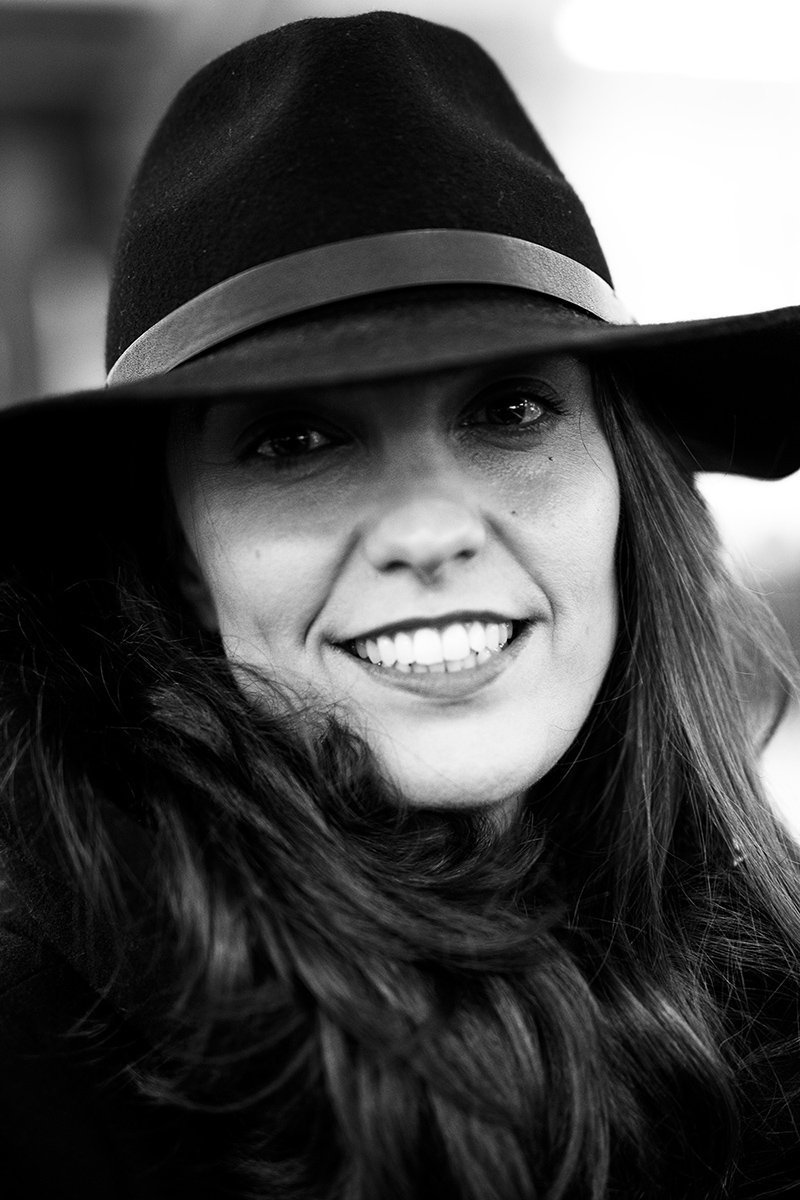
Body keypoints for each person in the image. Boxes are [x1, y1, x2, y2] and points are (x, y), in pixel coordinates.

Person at [1, 10, 799, 1198]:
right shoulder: (37, 1078)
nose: (428, 532)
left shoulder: (767, 993)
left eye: (509, 410)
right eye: (294, 440)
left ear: (621, 486)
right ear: (178, 553)